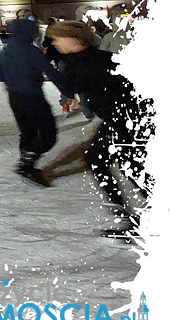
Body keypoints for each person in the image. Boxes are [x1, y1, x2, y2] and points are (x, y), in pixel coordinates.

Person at [46, 19, 153, 238]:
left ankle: (134, 216)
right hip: (126, 118)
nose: (54, 43)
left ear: (74, 41)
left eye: (57, 39)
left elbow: (68, 85)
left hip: (127, 120)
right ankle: (130, 216)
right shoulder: (96, 56)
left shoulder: (84, 64)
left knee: (127, 166)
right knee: (118, 164)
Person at [0, 18, 64, 187]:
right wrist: (68, 90)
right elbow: (51, 72)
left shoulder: (6, 51)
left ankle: (27, 163)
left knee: (27, 131)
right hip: (32, 96)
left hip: (15, 97)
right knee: (48, 133)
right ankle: (26, 164)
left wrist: (11, 81)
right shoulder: (32, 51)